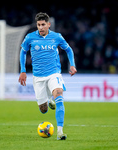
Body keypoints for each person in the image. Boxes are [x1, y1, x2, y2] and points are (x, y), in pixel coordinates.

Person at [18, 12, 77, 140]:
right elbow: (23, 52)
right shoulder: (30, 37)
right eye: (38, 25)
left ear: (48, 25)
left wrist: (72, 65)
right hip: (38, 77)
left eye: (43, 24)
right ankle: (49, 100)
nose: (40, 27)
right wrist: (23, 71)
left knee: (59, 93)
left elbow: (68, 49)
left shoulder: (57, 37)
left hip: (54, 73)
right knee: (43, 110)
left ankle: (60, 132)